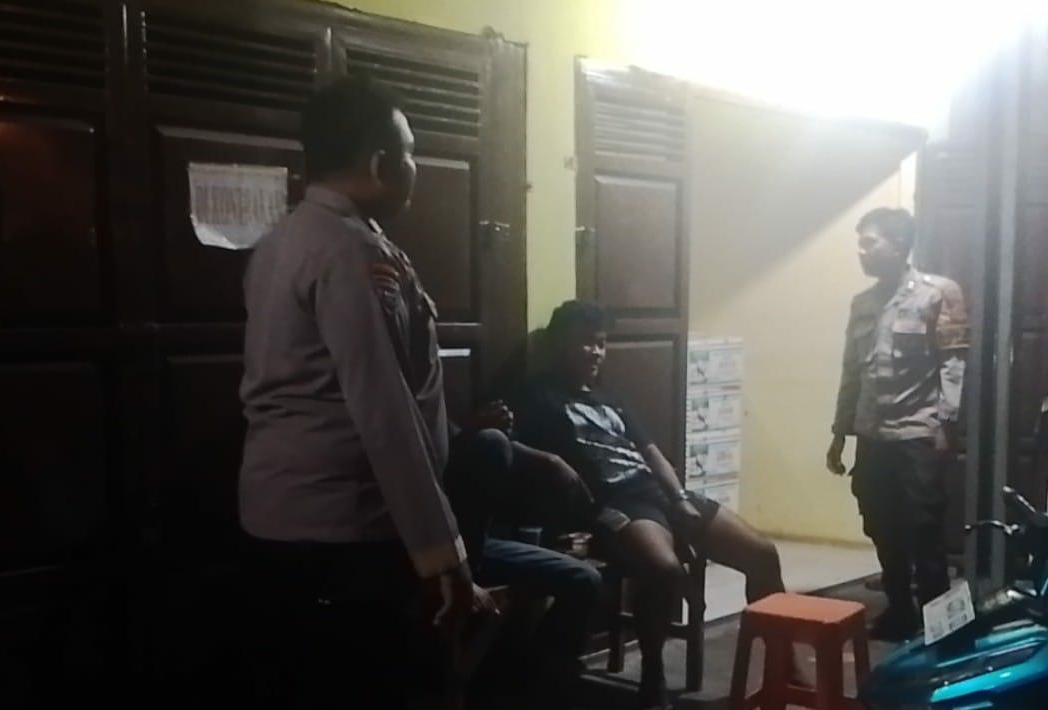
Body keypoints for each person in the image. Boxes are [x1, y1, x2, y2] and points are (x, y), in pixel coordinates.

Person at [239, 77, 494, 708]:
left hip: (283, 520)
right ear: (381, 164)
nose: (415, 169)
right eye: (410, 154)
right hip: (343, 530)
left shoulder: (280, 241)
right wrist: (443, 556)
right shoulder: (350, 252)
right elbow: (386, 411)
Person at [514, 301, 788, 710]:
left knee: (762, 554)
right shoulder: (538, 395)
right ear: (560, 344)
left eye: (601, 343)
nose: (596, 352)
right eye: (585, 342)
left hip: (658, 492)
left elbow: (650, 451)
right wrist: (551, 461)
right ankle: (653, 674)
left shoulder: (611, 398)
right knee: (663, 569)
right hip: (614, 503)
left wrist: (679, 498)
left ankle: (783, 665)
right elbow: (506, 442)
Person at [825, 207, 969, 641]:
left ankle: (939, 624)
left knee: (924, 530)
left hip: (917, 433)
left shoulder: (938, 294)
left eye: (870, 243)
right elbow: (852, 372)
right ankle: (900, 610)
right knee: (880, 524)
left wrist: (946, 424)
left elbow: (953, 364)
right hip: (873, 435)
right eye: (860, 244)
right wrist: (840, 433)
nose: (862, 252)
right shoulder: (862, 304)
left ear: (899, 244)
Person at [445, 407, 602, 709]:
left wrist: (551, 460)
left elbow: (454, 434)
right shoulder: (395, 410)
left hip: (479, 543)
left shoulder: (436, 403)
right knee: (492, 442)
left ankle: (532, 680)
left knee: (585, 579)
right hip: (436, 547)